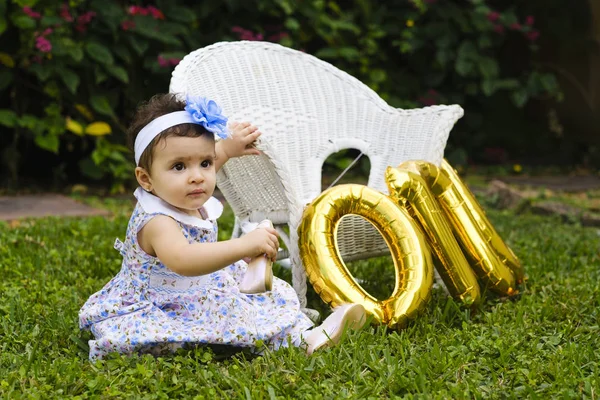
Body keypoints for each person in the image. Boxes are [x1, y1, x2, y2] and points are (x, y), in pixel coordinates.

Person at [79, 93, 366, 360]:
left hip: (199, 286)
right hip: (164, 304)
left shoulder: (185, 188)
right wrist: (242, 245)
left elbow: (212, 156)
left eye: (205, 163)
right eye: (179, 167)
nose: (198, 177)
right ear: (146, 179)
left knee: (261, 297)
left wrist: (229, 146)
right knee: (227, 313)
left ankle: (299, 331)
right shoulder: (158, 221)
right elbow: (183, 260)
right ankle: (299, 342)